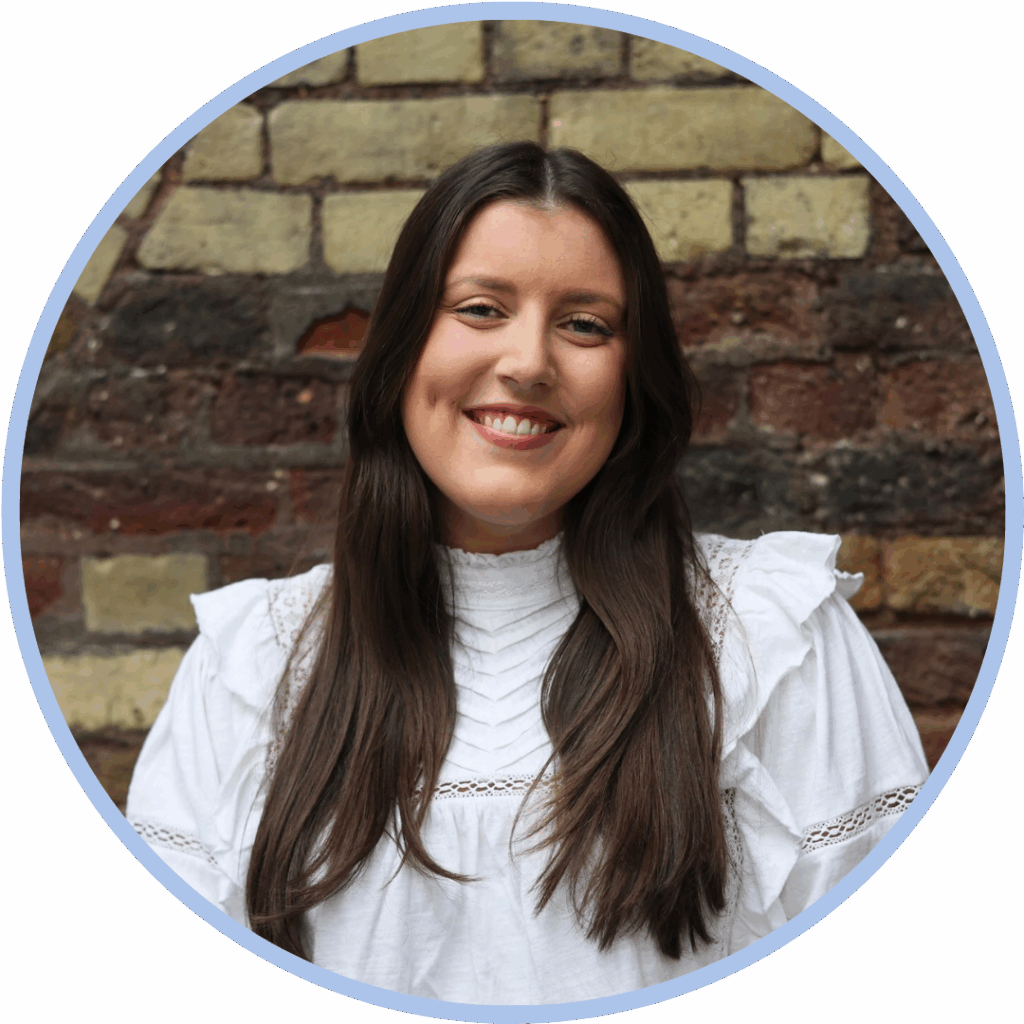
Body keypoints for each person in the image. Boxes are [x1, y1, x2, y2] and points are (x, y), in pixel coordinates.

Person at [126, 141, 929, 1005]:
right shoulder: (251, 666)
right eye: (479, 308)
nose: (528, 362)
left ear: (633, 376)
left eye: (585, 324)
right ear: (402, 350)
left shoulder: (773, 640)